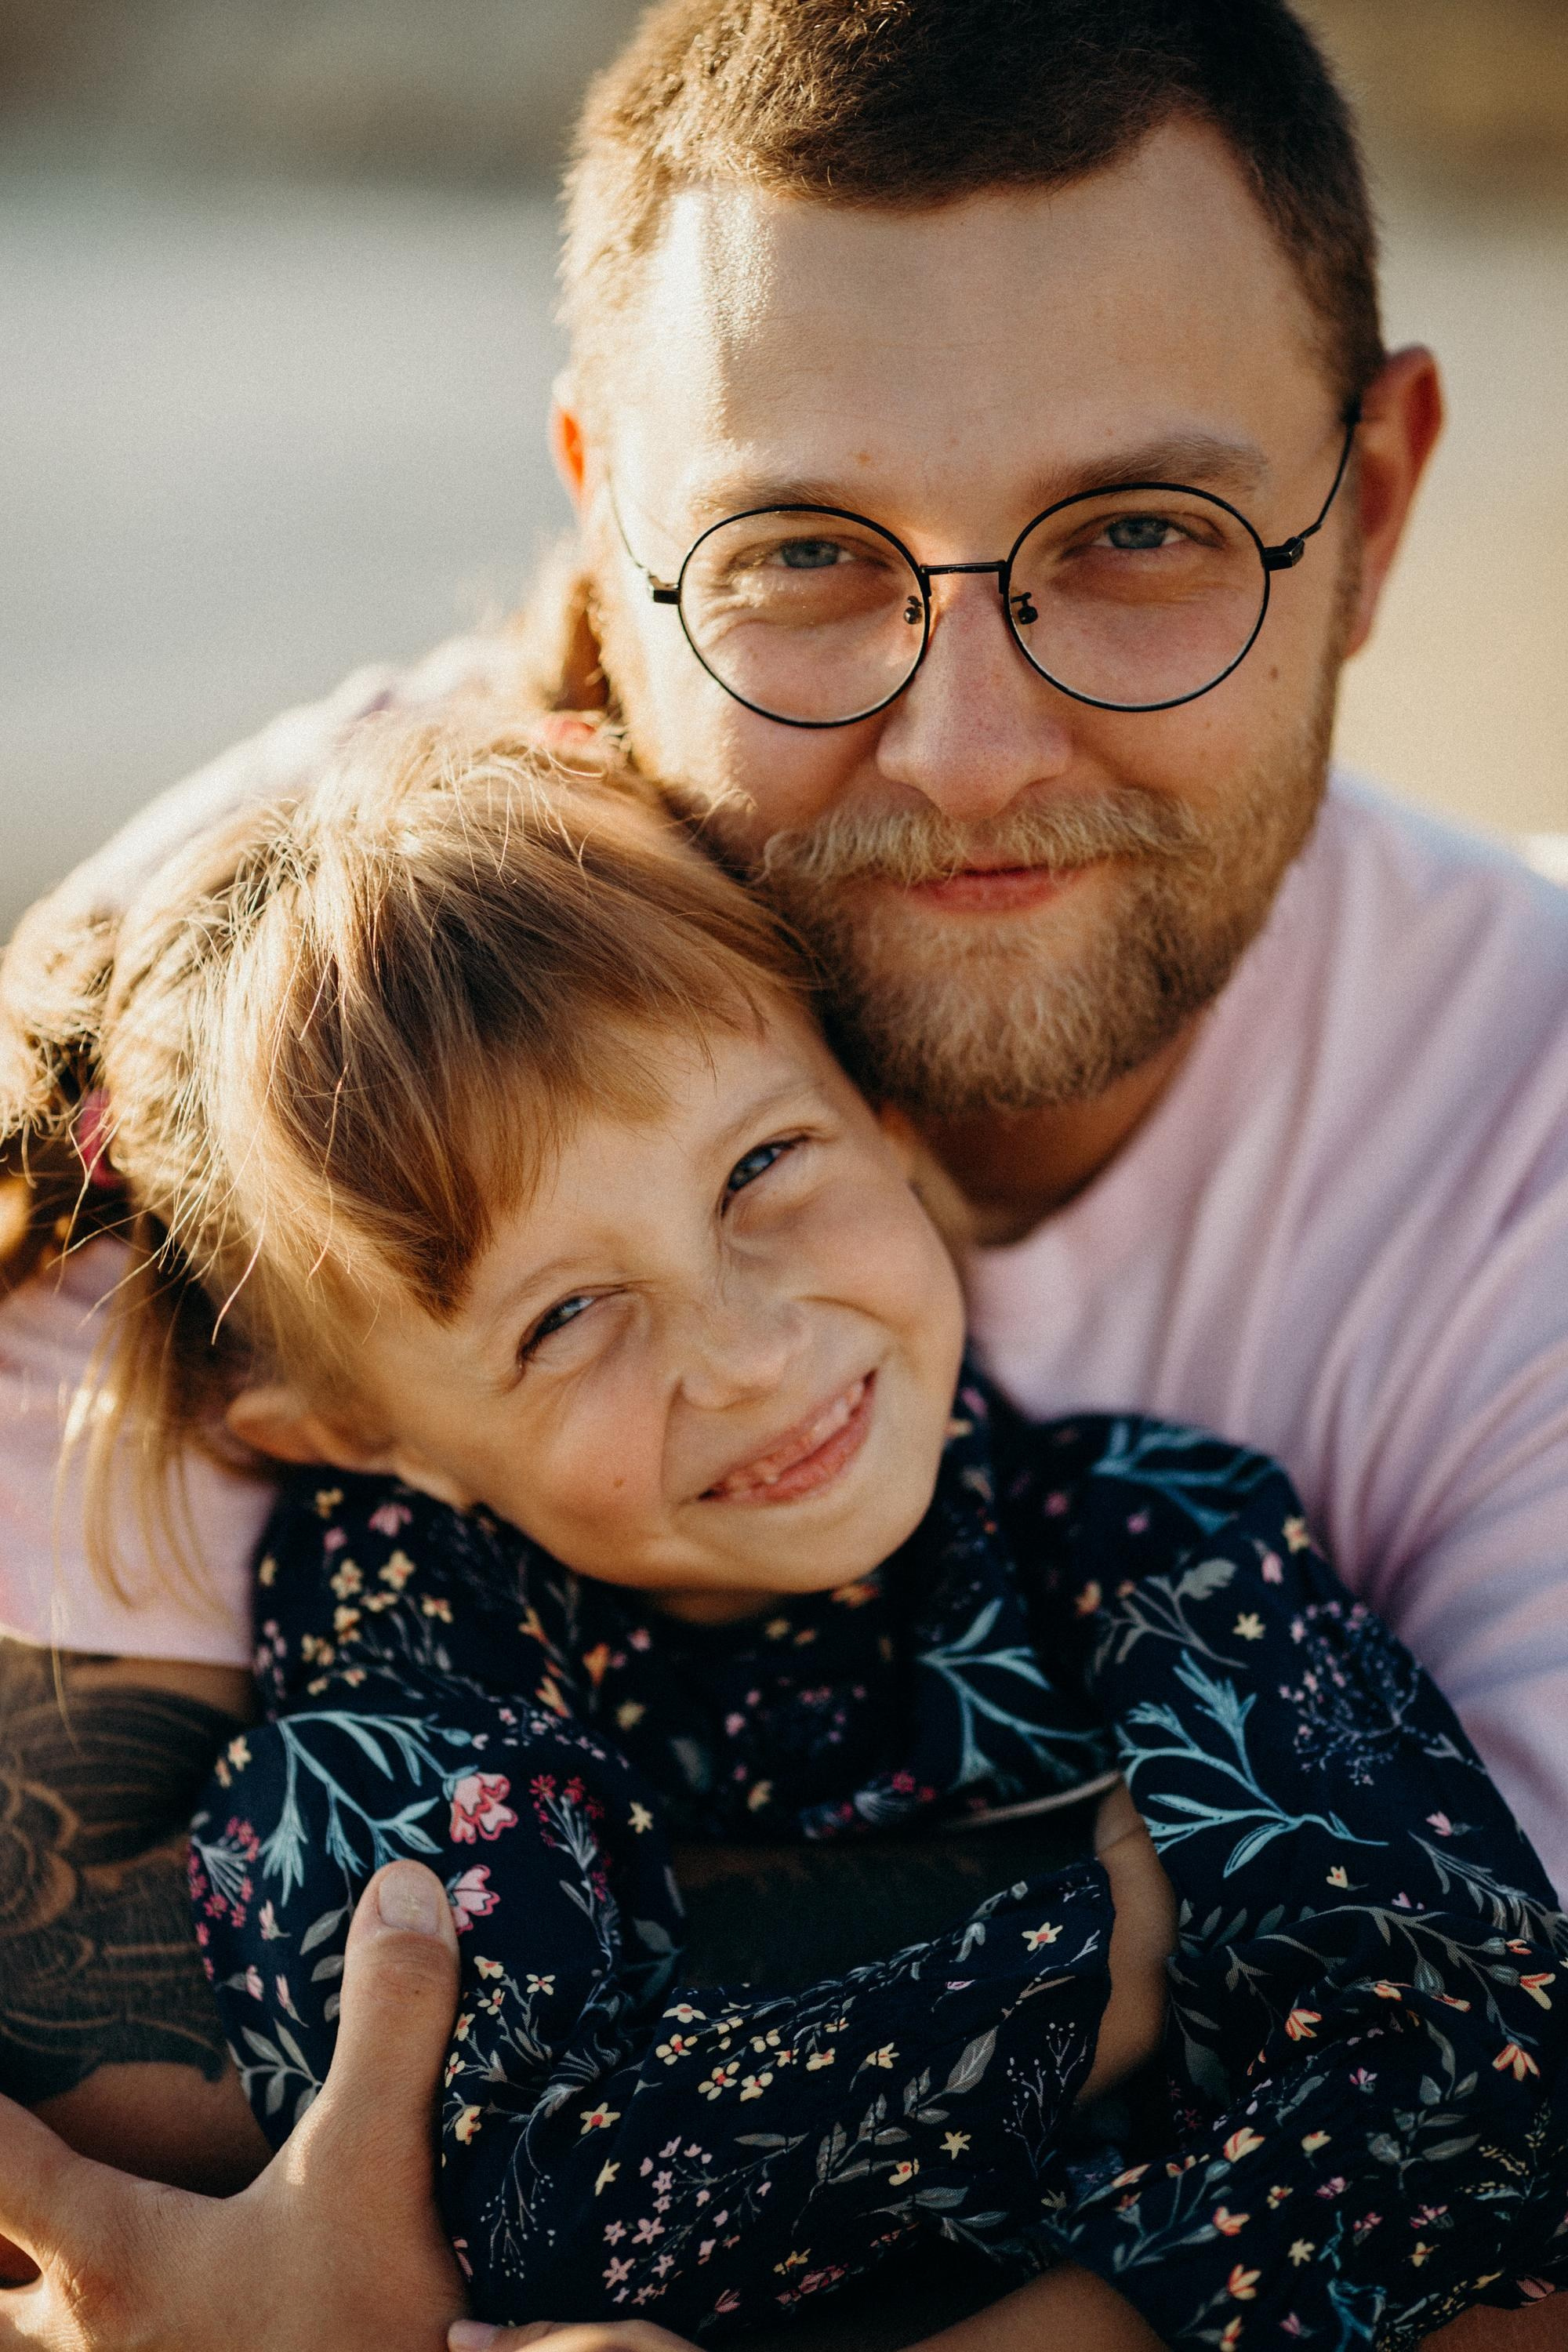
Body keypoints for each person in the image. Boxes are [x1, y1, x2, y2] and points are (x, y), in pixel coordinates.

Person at [3, 0, 1567, 2346]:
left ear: (1380, 506)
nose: (963, 748)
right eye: (805, 552)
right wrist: (1153, 1934)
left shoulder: (1437, 1231)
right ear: (607, 529)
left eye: (1141, 532)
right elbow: (115, 2168)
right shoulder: (268, 1065)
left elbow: (1498, 2186)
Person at [9, 714, 1566, 2348]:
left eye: (761, 1163)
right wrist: (1150, 1935)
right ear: (355, 1428)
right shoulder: (397, 1651)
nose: (746, 1349)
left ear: (886, 1114)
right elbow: (547, 2200)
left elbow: (1478, 2060)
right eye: (568, 1315)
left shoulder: (1161, 1529)